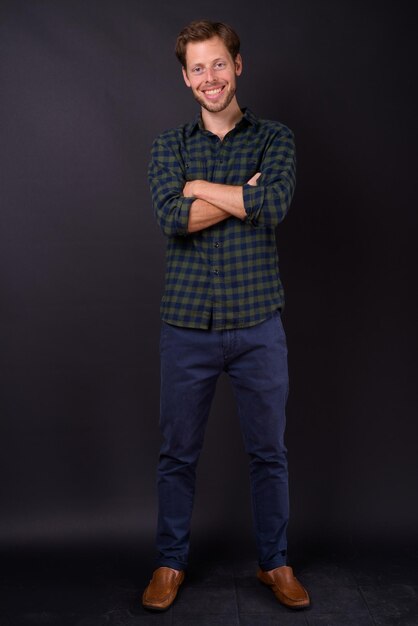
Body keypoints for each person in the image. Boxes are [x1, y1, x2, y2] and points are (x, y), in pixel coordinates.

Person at [142, 20, 310, 612]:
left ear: (238, 65)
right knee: (177, 453)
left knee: (270, 451)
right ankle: (169, 563)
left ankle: (276, 563)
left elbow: (274, 204)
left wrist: (200, 188)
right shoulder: (168, 146)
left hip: (259, 323)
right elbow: (171, 219)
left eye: (219, 64)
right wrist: (238, 193)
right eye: (197, 69)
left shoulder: (275, 138)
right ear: (186, 79)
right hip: (185, 324)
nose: (209, 78)